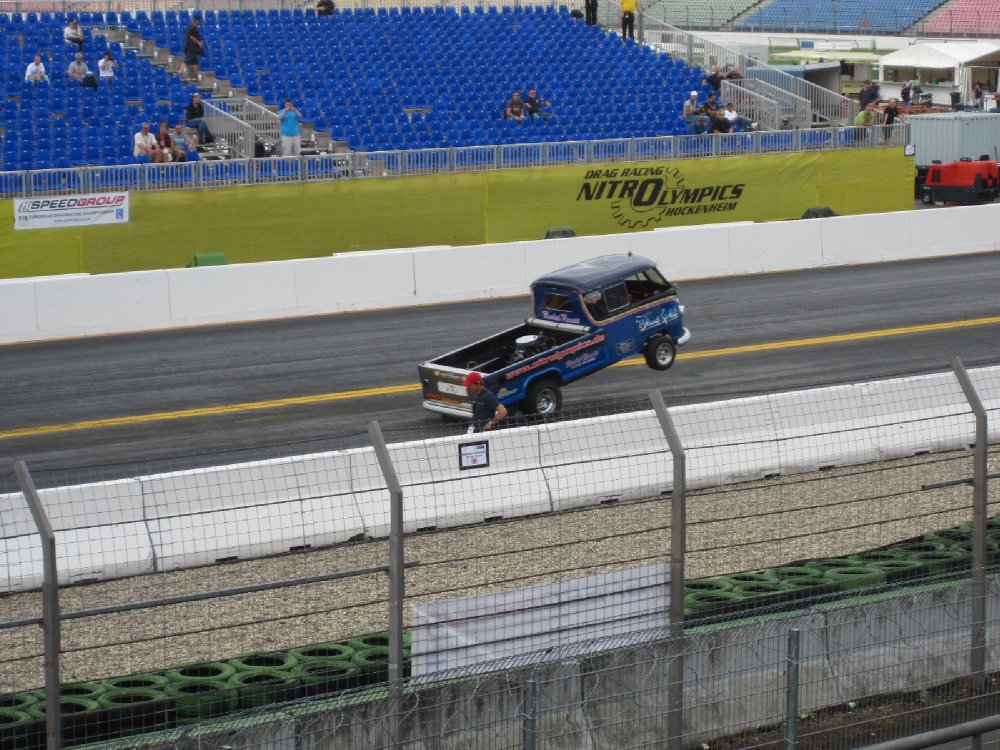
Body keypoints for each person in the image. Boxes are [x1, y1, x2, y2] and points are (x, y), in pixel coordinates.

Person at [179, 14, 204, 82]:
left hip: (193, 49)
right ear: (196, 21)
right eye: (199, 21)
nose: (199, 23)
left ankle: (196, 76)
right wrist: (198, 43)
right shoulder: (192, 27)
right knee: (187, 60)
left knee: (195, 63)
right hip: (191, 48)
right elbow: (191, 37)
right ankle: (180, 71)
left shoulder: (192, 27)